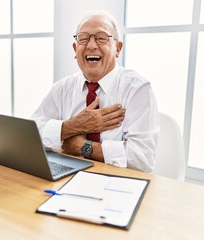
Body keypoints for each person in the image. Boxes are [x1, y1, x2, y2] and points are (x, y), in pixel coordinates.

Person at [31, 10, 159, 172]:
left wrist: (83, 147)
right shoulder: (62, 88)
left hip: (117, 182)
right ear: (75, 49)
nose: (91, 45)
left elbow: (142, 158)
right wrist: (72, 126)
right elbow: (31, 134)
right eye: (83, 39)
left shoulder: (137, 89)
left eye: (101, 38)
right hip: (65, 176)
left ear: (118, 48)